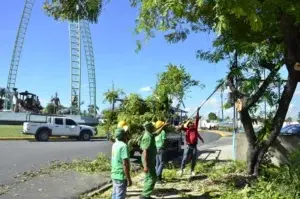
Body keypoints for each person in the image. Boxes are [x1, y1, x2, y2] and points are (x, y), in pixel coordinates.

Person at [179, 107, 204, 177]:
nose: (191, 124)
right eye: (190, 123)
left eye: (192, 123)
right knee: (184, 158)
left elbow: (197, 119)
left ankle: (192, 170)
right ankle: (181, 169)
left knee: (194, 159)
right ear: (188, 125)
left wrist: (197, 111)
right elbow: (179, 128)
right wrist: (181, 124)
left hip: (194, 146)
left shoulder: (195, 129)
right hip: (188, 146)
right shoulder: (186, 130)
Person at [111, 128, 132, 199]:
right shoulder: (123, 146)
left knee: (115, 195)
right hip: (121, 176)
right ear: (124, 136)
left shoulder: (114, 144)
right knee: (120, 196)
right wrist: (129, 179)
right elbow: (125, 164)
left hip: (114, 174)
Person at [140, 122, 157, 199]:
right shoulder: (147, 137)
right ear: (150, 127)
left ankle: (146, 195)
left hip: (150, 161)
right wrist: (145, 166)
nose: (154, 127)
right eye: (152, 126)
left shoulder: (150, 134)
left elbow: (156, 132)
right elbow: (144, 152)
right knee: (152, 178)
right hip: (148, 162)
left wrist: (163, 126)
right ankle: (145, 196)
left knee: (149, 178)